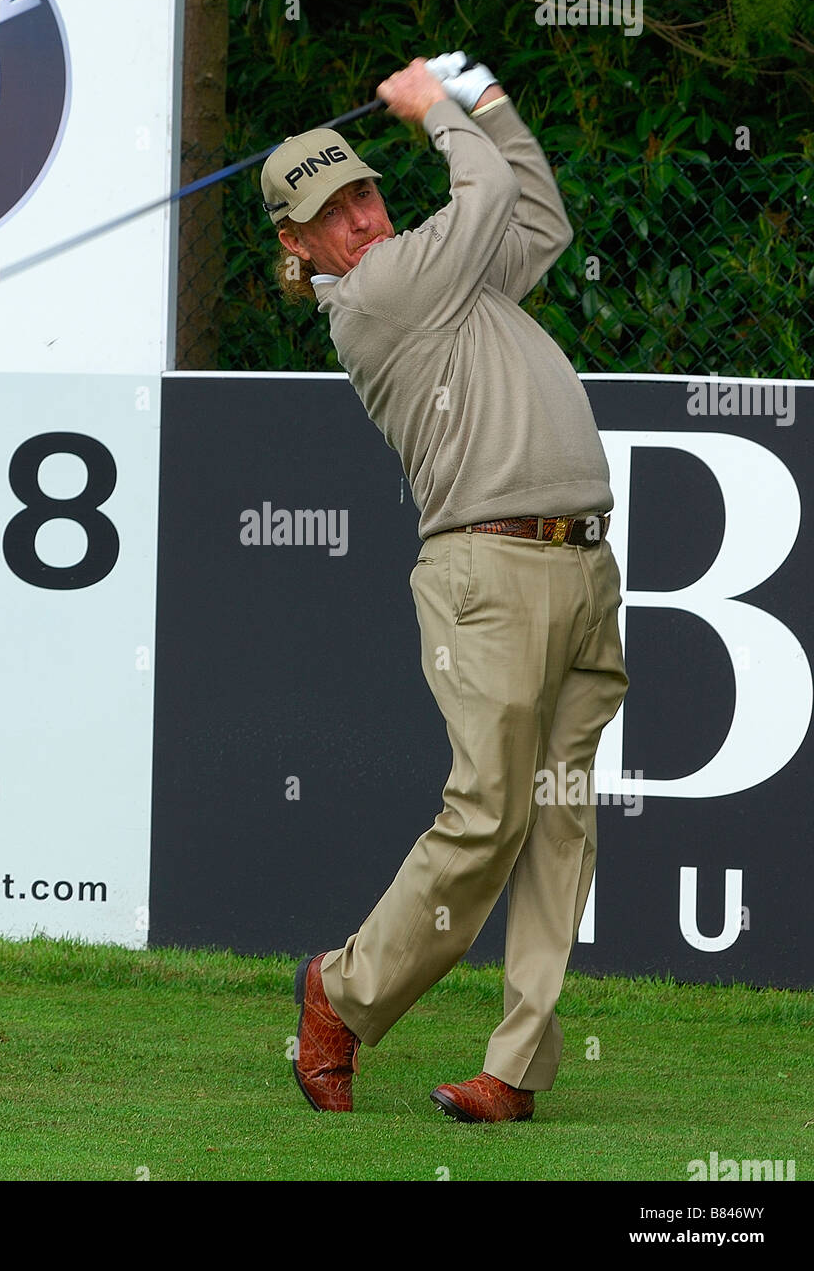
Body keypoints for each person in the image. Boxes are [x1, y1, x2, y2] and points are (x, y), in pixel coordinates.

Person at [260, 56, 629, 1122]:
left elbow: (538, 222)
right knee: (484, 817)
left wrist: (494, 98)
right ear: (298, 246)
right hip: (487, 572)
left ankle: (513, 1069)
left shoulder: (444, 274)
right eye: (330, 213)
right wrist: (438, 110)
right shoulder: (378, 292)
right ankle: (340, 990)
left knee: (559, 821)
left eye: (365, 192)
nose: (361, 218)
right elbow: (485, 194)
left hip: (578, 562)